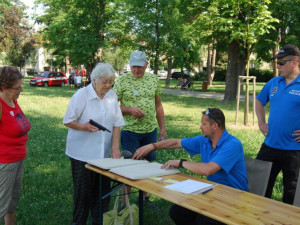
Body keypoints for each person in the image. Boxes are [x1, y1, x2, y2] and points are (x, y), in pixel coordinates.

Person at [133, 108, 248, 225]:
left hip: (234, 199)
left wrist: (181, 163)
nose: (200, 127)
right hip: (214, 193)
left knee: (202, 221)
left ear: (215, 126)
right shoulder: (205, 140)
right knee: (177, 212)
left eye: (204, 124)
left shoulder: (232, 144)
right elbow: (177, 142)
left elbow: (208, 170)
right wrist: (152, 146)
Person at [63, 63, 125, 225]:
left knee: (103, 193)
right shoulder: (81, 95)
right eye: (104, 82)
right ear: (94, 80)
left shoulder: (112, 96)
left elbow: (117, 123)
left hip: (103, 154)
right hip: (82, 154)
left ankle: (100, 221)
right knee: (83, 194)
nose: (108, 85)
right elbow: (68, 120)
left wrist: (115, 148)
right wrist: (83, 126)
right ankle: (79, 222)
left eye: (111, 81)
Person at [113, 50, 166, 208]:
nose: (136, 70)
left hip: (150, 131)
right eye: (134, 66)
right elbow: (111, 107)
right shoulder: (121, 81)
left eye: (140, 67)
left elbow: (158, 105)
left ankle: (144, 197)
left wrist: (162, 127)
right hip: (130, 131)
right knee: (129, 166)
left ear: (146, 65)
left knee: (149, 165)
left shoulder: (153, 79)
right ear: (129, 65)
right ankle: (125, 201)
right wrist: (129, 110)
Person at [255, 44, 300, 205]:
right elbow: (259, 101)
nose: (277, 66)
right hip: (270, 146)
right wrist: (261, 122)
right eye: (277, 62)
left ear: (294, 62)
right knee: (258, 187)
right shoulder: (274, 82)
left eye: (281, 63)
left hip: (295, 150)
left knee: (291, 193)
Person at [0, 66, 31, 225]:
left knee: (11, 203)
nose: (21, 90)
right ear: (4, 88)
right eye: (17, 87)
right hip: (5, 163)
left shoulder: (13, 101)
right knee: (1, 205)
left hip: (18, 159)